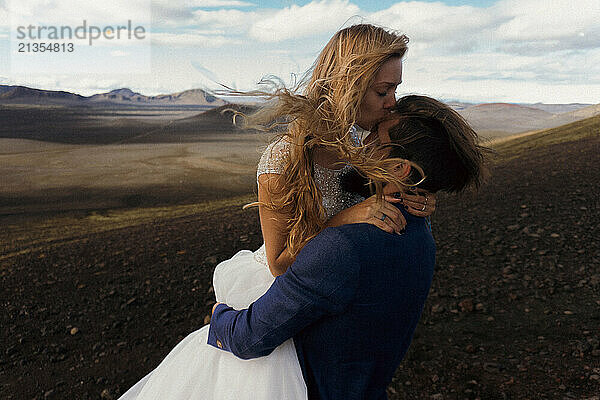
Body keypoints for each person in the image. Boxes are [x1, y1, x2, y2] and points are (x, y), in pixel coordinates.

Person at [118, 25, 435, 400]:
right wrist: (345, 220)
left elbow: (386, 198)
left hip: (333, 298)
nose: (392, 102)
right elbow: (279, 261)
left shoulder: (365, 144)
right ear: (347, 86)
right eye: (383, 91)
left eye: (395, 89)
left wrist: (418, 195)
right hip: (287, 297)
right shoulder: (284, 160)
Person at [208, 95, 489, 399]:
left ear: (401, 169)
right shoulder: (422, 235)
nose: (363, 144)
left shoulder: (341, 248)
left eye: (376, 140)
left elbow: (250, 337)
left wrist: (219, 317)